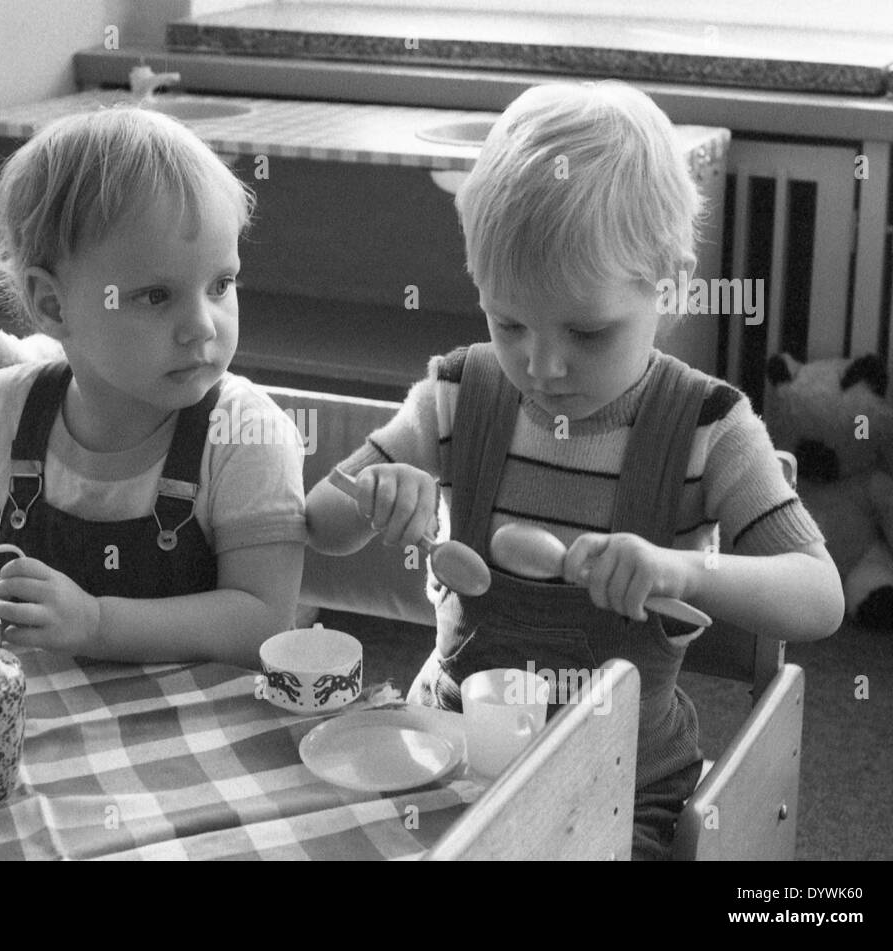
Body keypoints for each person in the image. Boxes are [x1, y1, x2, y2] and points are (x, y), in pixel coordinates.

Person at [304, 81, 845, 859]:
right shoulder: (460, 393)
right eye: (508, 321)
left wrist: (687, 573)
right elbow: (322, 523)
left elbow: (820, 597)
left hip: (621, 783)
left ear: (674, 287)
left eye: (588, 332)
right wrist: (380, 494)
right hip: (448, 749)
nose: (543, 364)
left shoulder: (708, 429)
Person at [0, 107, 306, 669]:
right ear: (53, 305)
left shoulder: (244, 436)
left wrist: (97, 623)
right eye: (156, 296)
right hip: (33, 722)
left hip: (190, 735)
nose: (203, 325)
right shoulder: (4, 411)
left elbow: (262, 620)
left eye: (220, 284)